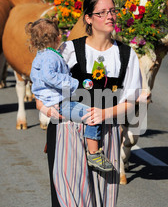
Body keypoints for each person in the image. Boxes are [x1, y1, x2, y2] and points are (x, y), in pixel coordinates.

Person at [35, 0, 144, 207]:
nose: (111, 16)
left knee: (95, 204)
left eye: (113, 11)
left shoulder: (127, 55)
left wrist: (105, 113)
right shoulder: (69, 50)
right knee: (69, 200)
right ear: (88, 18)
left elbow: (131, 100)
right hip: (67, 133)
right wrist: (44, 106)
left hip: (105, 134)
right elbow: (43, 82)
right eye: (103, 12)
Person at [28, 17, 114, 173]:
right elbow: (49, 76)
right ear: (57, 38)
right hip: (60, 103)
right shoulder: (50, 57)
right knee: (92, 115)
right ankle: (94, 153)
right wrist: (72, 82)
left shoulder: (41, 56)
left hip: (53, 101)